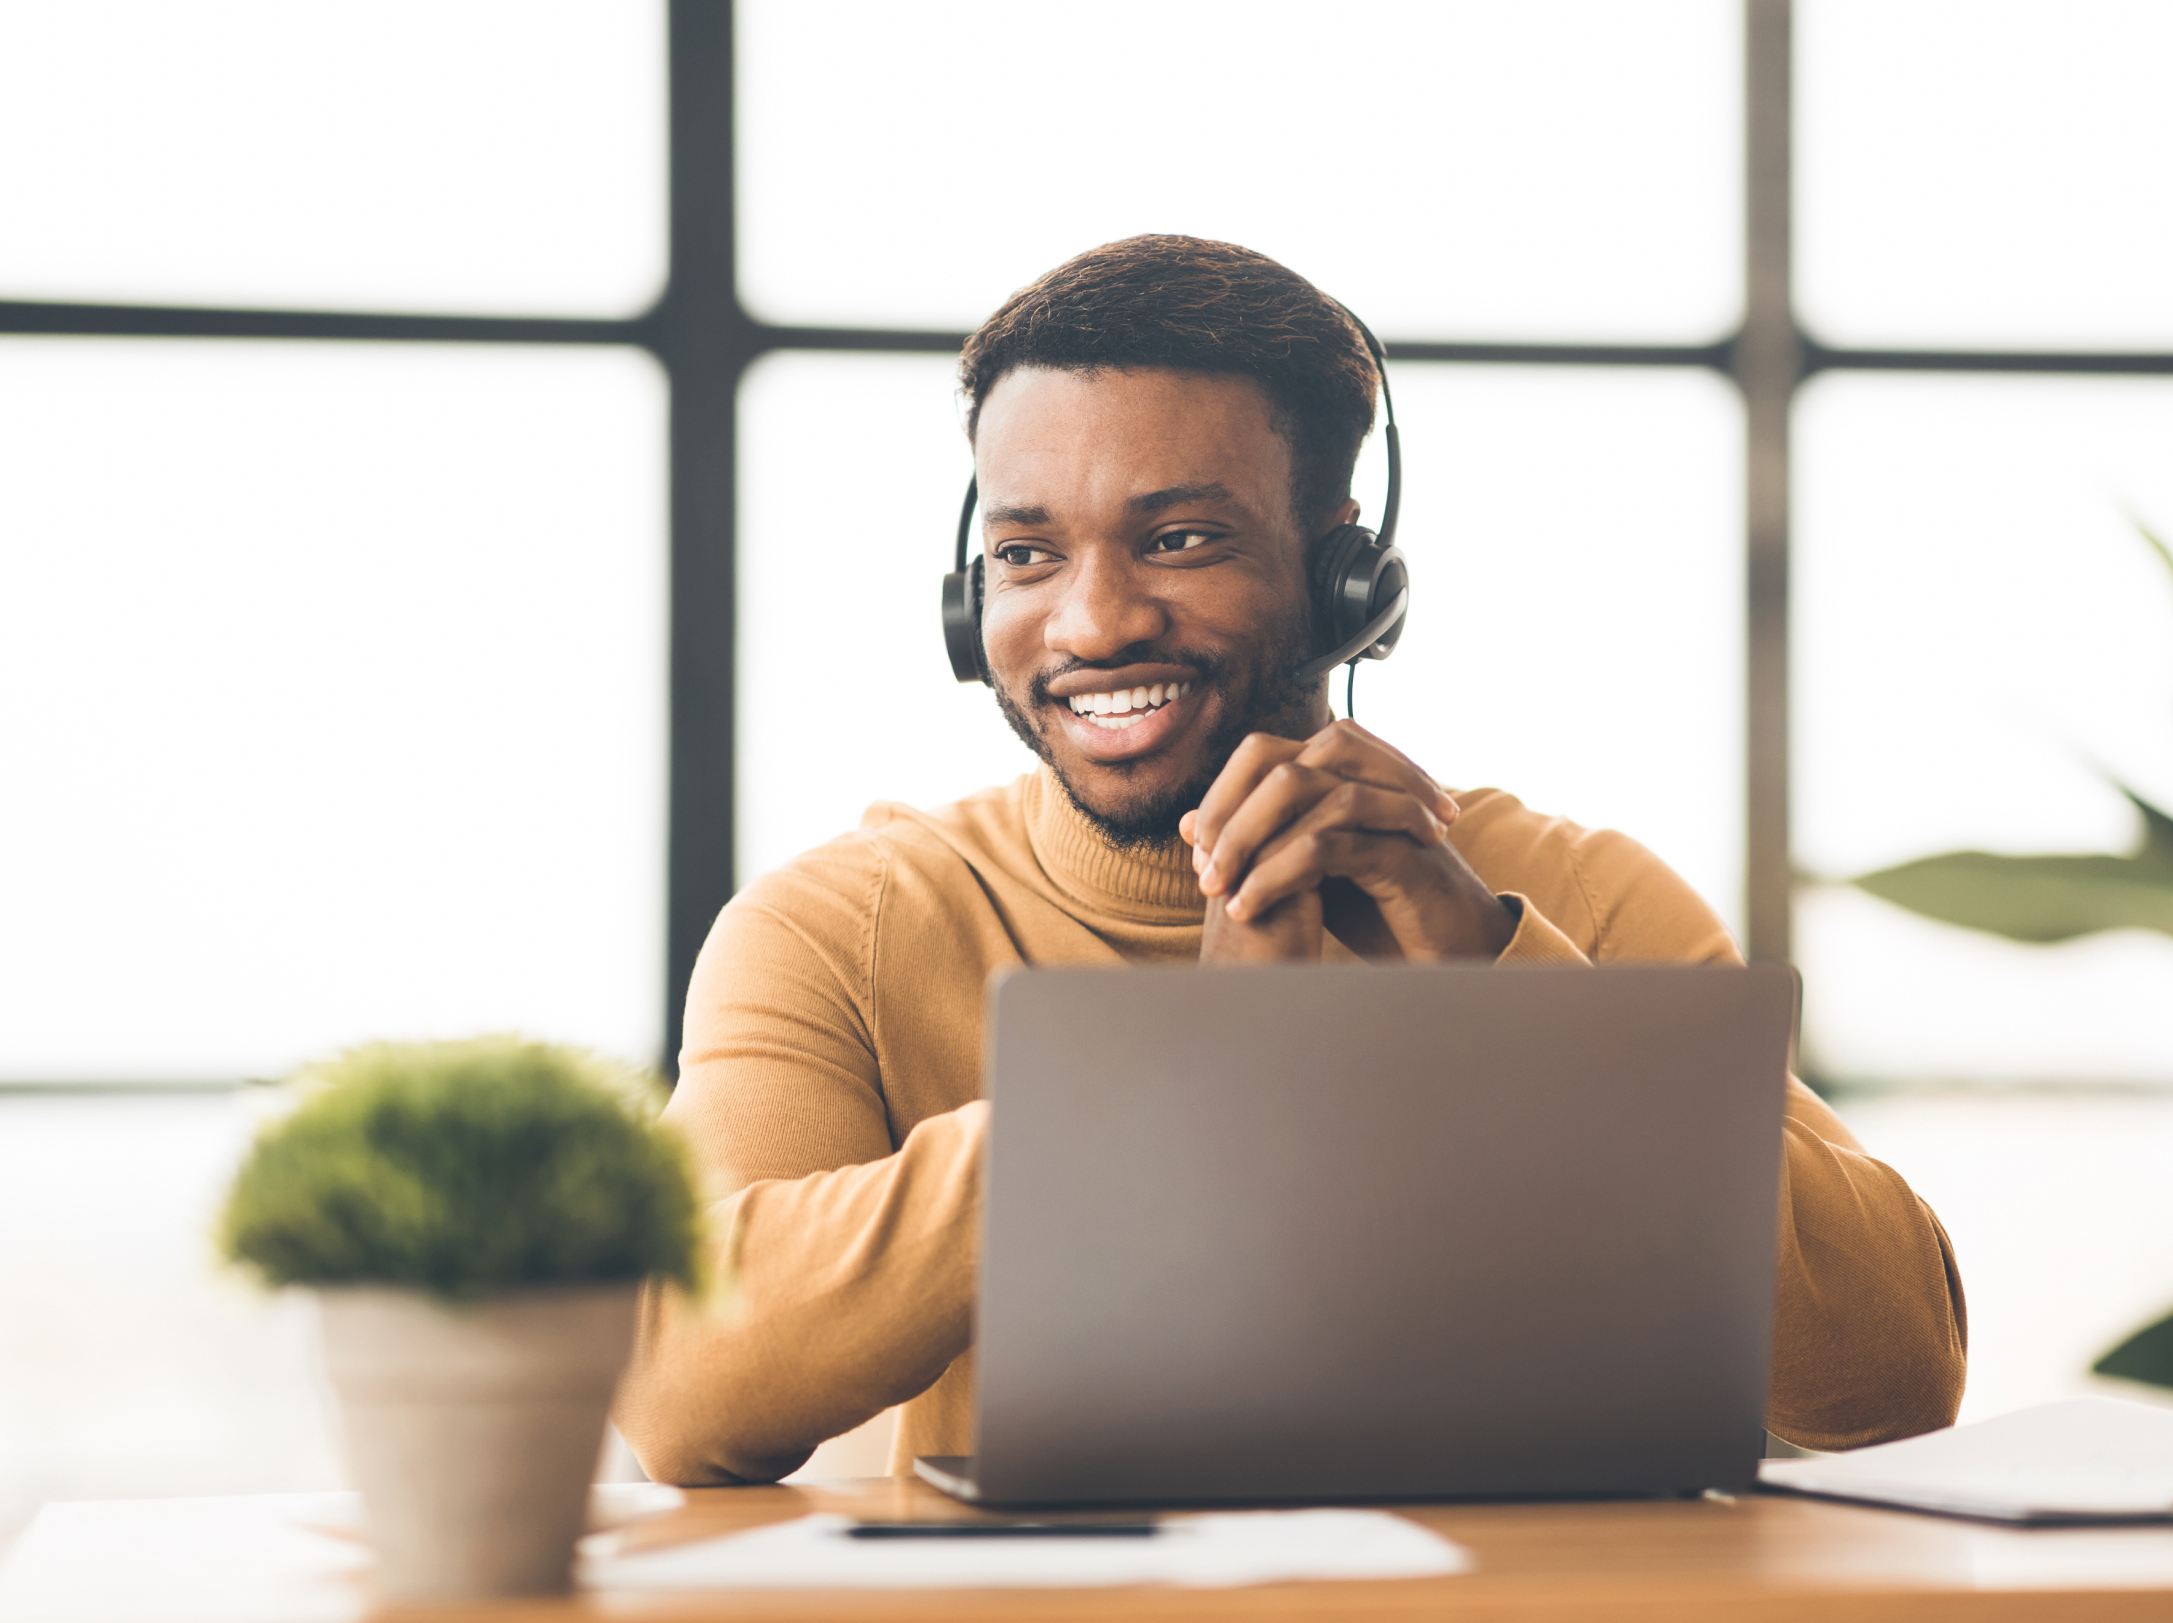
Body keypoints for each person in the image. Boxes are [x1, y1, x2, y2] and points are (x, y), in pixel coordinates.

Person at [614, 235, 1967, 1485]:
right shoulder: (841, 927)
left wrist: (1493, 976)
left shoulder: (1579, 897)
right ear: (972, 606)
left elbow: (1892, 1377)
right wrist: (1180, 1067)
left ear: (1347, 586)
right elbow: (681, 1392)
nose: (1089, 621)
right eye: (1025, 553)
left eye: (1178, 539)